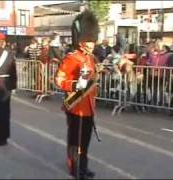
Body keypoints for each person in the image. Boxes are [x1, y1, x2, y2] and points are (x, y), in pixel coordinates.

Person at [55, 10, 99, 179]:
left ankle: (84, 166)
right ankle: (75, 167)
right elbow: (59, 80)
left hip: (88, 107)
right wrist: (76, 85)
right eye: (89, 39)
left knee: (85, 141)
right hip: (75, 106)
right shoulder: (71, 58)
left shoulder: (89, 58)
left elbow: (91, 81)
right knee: (75, 141)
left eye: (92, 39)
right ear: (80, 40)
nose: (92, 43)